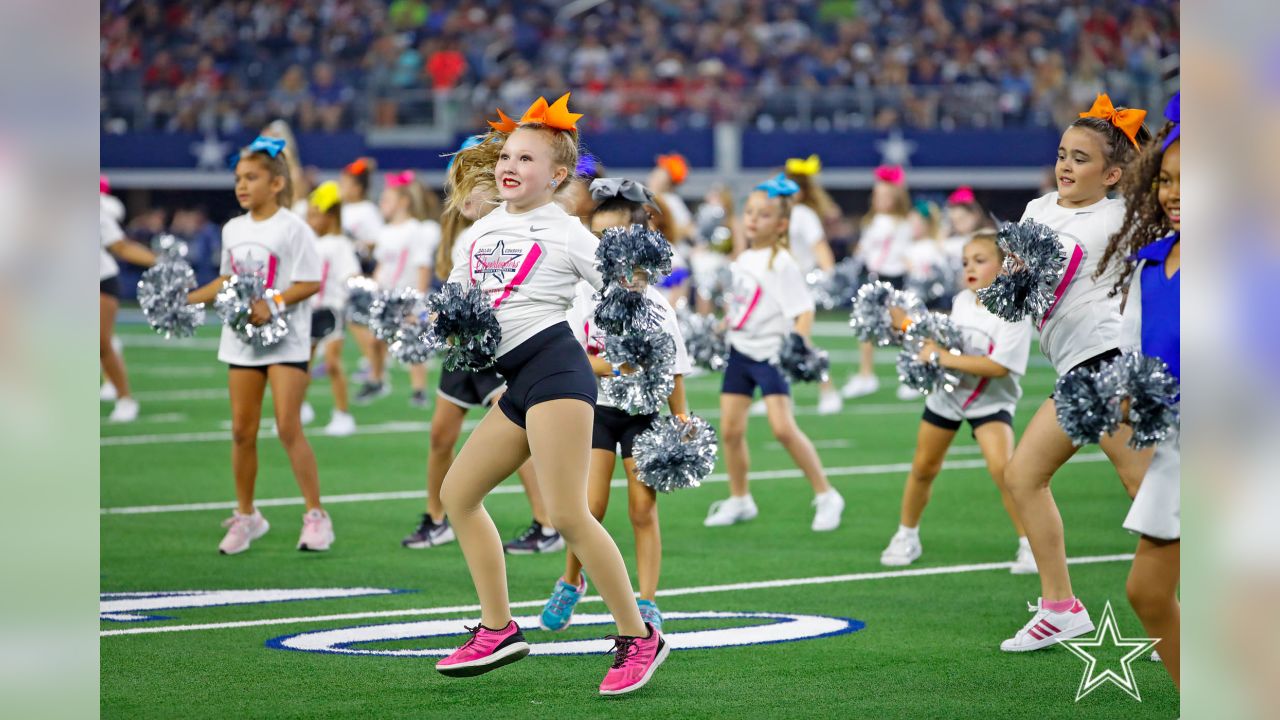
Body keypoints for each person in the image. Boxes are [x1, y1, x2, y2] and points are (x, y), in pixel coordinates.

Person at [432, 95, 667, 695]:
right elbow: (460, 299)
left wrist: (633, 297)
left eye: (527, 159)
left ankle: (639, 636)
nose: (510, 166)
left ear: (558, 175)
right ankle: (498, 628)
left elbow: (629, 290)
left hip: (558, 372)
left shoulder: (569, 234)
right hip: (517, 381)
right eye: (506, 155)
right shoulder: (484, 228)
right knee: (458, 493)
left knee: (567, 514)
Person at [999, 94, 1154, 652]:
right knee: (1024, 478)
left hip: (1108, 361)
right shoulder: (1038, 209)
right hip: (1071, 368)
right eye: (1063, 154)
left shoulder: (1122, 216)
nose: (1066, 166)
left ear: (1113, 174)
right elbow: (1016, 288)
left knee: (1147, 487)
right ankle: (1060, 608)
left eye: (1082, 159)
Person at [540, 178, 692, 634]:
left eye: (614, 239)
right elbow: (577, 360)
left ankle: (646, 600)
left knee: (643, 509)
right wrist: (617, 366)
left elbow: (673, 366)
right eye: (598, 238)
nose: (604, 249)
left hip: (643, 415)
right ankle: (571, 580)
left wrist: (681, 418)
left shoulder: (658, 305)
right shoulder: (584, 295)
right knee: (589, 505)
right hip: (596, 411)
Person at [402, 144, 561, 555]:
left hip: (498, 349)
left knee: (512, 437)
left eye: (472, 186)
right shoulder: (464, 233)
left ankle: (547, 524)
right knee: (441, 434)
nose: (464, 197)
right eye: (459, 187)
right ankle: (436, 519)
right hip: (464, 350)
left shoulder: (512, 227)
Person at [184, 136, 334, 555]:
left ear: (277, 184)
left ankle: (316, 516)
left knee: (288, 426)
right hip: (241, 340)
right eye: (238, 179)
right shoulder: (233, 228)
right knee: (241, 431)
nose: (242, 186)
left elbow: (310, 282)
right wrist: (187, 298)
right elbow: (226, 279)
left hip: (286, 340)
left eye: (251, 177)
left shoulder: (294, 228)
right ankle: (248, 515)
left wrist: (273, 302)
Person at [879, 232, 1036, 573]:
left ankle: (1030, 544)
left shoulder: (1014, 312)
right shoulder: (964, 300)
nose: (970, 268)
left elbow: (998, 367)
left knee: (1005, 472)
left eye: (980, 260)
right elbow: (945, 341)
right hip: (948, 397)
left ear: (1005, 264)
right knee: (923, 467)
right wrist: (906, 325)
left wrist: (941, 358)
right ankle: (907, 535)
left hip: (990, 402)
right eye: (965, 261)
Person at [703, 174, 844, 531]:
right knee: (731, 431)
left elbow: (804, 310)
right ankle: (740, 498)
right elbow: (741, 304)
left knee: (783, 428)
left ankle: (826, 494)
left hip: (770, 355)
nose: (752, 219)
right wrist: (719, 328)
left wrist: (798, 345)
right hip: (740, 353)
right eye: (749, 212)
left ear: (781, 224)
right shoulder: (744, 259)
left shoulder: (782, 263)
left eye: (763, 215)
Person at [1096, 92, 1180, 685]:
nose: (1173, 194)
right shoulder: (1151, 267)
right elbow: (1128, 357)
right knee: (1147, 593)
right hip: (1179, 450)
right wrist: (1118, 399)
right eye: (1168, 181)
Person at [842, 165, 913, 400]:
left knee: (901, 327)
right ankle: (866, 375)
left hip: (894, 277)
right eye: (877, 195)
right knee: (867, 327)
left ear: (896, 198)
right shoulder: (872, 220)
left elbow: (901, 251)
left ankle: (913, 372)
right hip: (874, 277)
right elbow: (865, 249)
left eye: (885, 196)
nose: (879, 200)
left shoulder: (901, 222)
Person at [304, 181, 361, 436]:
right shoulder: (312, 243)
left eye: (315, 215)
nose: (311, 220)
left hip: (332, 311)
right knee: (302, 363)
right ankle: (298, 406)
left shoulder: (339, 244)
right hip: (310, 309)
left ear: (331, 216)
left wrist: (353, 291)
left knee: (332, 363)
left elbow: (350, 274)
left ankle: (342, 413)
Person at [100, 191, 156, 423]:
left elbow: (121, 247)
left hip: (98, 279)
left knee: (100, 341)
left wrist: (158, 261)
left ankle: (125, 399)